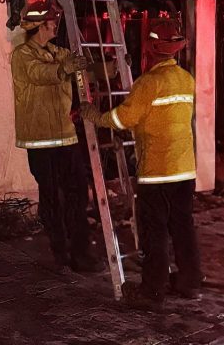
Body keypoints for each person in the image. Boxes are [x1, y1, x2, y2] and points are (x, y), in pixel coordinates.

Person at [80, 17, 202, 311]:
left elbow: (124, 118)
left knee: (155, 232)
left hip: (157, 173)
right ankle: (189, 282)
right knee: (183, 227)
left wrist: (93, 114)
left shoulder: (148, 83)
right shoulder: (186, 79)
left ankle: (153, 291)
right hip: (184, 170)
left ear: (150, 49)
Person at [11, 0, 103, 273]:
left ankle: (80, 253)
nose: (56, 24)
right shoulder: (22, 55)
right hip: (40, 139)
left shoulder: (56, 52)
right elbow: (41, 74)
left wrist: (104, 67)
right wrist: (66, 68)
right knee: (52, 198)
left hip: (65, 136)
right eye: (52, 20)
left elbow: (77, 66)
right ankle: (61, 252)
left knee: (77, 194)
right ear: (41, 25)